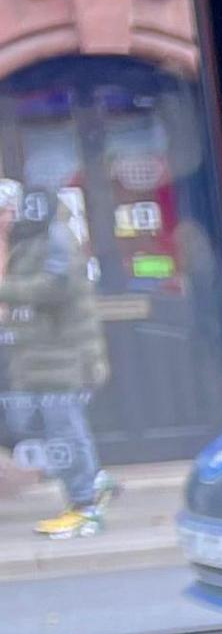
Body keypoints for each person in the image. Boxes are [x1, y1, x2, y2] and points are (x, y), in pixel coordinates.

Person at [0, 195, 112, 539]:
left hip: (62, 360)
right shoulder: (32, 240)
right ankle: (93, 485)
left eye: (7, 210)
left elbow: (53, 289)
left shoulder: (54, 237)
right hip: (44, 360)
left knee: (65, 431)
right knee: (62, 429)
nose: (7, 218)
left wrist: (4, 289)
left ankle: (85, 508)